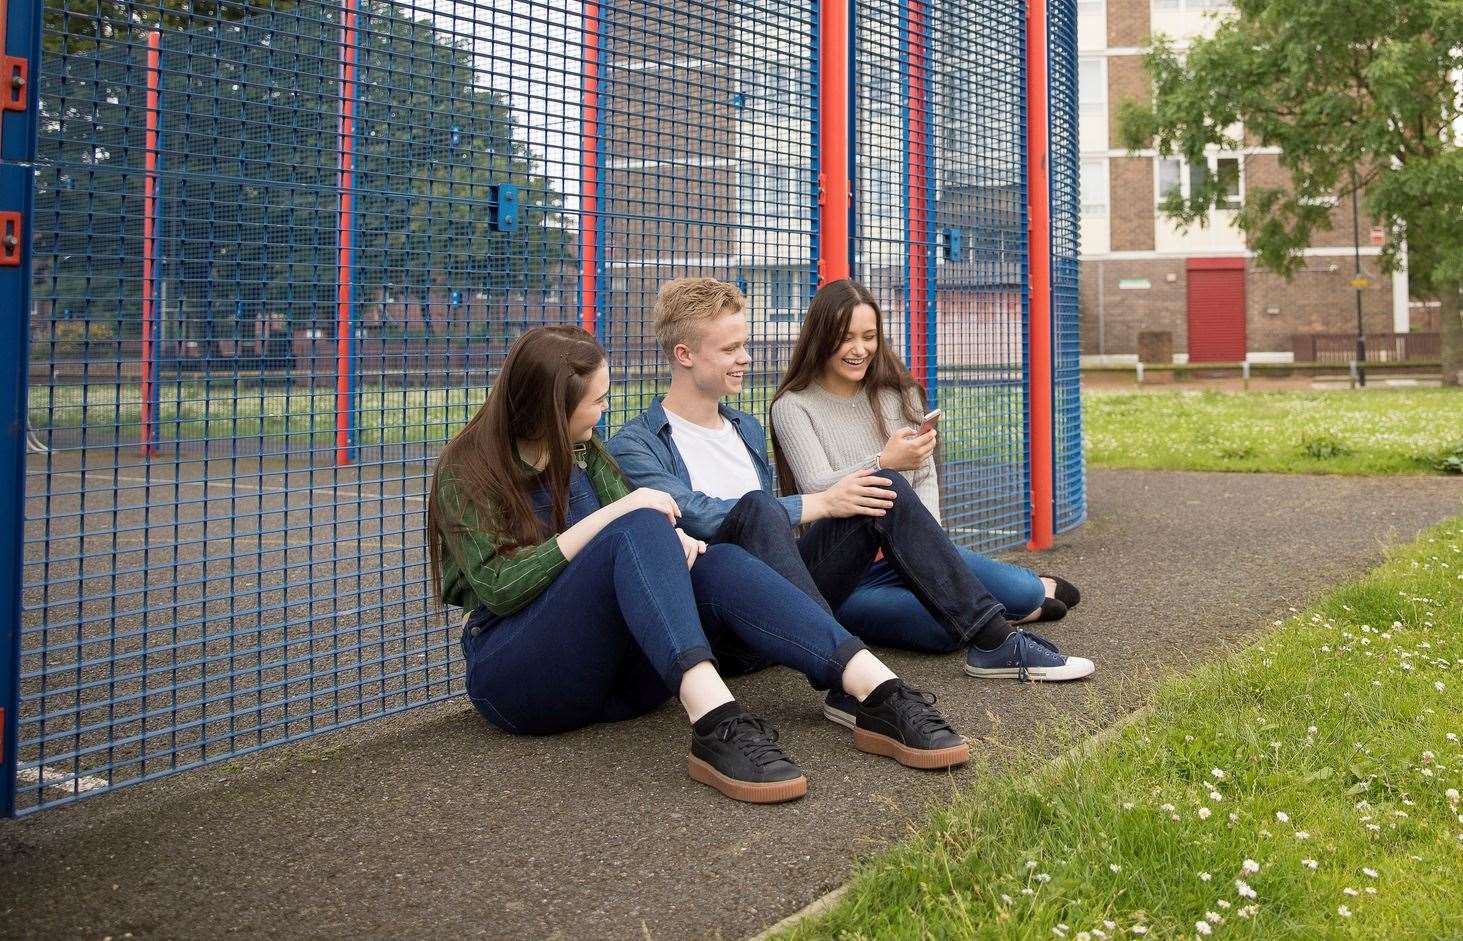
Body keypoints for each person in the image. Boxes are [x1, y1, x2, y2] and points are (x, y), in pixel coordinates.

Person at [428, 325, 969, 806]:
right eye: (596, 401)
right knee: (637, 523)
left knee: (716, 558)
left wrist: (674, 538)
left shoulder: (586, 450)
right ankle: (717, 723)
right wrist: (620, 516)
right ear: (552, 406)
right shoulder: (468, 467)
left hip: (620, 679)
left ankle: (875, 689)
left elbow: (647, 526)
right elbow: (500, 588)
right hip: (520, 677)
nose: (604, 412)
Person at [608, 280, 1090, 738]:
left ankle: (993, 641)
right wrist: (818, 502)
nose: (746, 358)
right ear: (685, 354)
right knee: (758, 506)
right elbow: (700, 515)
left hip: (793, 598)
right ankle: (849, 684)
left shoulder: (744, 427)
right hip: (722, 624)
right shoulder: (636, 444)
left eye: (744, 344)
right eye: (731, 348)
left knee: (880, 486)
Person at [769, 278, 1093, 684]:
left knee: (1028, 593)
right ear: (821, 337)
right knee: (943, 630)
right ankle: (997, 615)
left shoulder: (896, 393)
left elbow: (923, 473)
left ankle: (1023, 597)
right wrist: (881, 461)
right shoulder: (793, 406)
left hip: (909, 549)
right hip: (850, 573)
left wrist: (928, 539)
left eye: (869, 337)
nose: (859, 349)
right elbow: (817, 486)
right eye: (845, 337)